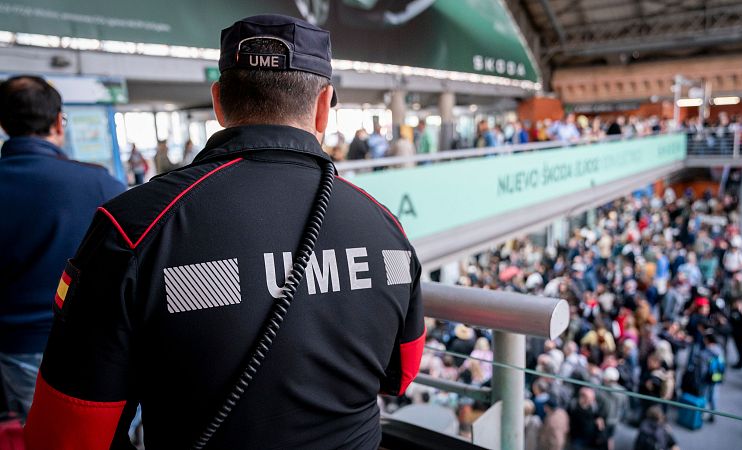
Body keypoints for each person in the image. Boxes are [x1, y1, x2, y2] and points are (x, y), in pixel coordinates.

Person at [25, 15, 425, 450]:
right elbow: (401, 374)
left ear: (218, 101)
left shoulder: (132, 226)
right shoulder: (385, 226)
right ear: (324, 105)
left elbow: (65, 433)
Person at [0, 75, 125, 418]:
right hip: (92, 345)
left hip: (16, 347)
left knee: (35, 430)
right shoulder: (100, 184)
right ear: (58, 121)